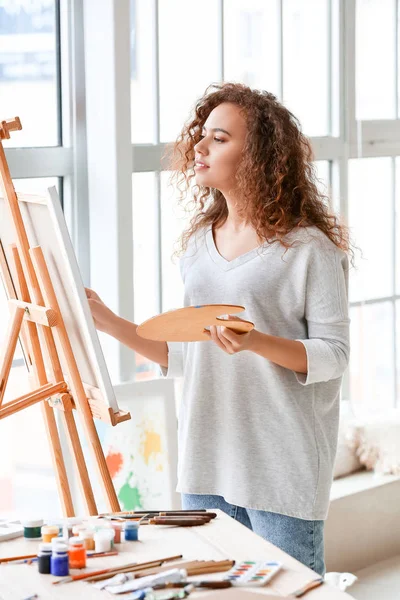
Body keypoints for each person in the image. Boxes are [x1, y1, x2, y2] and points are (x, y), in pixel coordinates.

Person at [86, 82, 353, 577]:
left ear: (259, 156)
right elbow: (190, 355)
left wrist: (255, 342)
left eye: (220, 138)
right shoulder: (198, 247)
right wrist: (106, 320)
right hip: (206, 457)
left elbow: (334, 355)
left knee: (287, 590)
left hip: (282, 467)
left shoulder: (309, 248)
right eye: (202, 136)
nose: (201, 147)